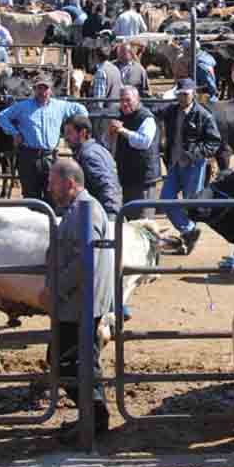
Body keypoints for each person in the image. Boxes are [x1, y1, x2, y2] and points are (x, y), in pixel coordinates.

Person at [45, 159, 113, 435]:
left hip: (80, 303)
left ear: (70, 183)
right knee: (74, 361)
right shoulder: (79, 209)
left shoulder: (87, 211)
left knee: (67, 362)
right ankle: (93, 419)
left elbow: (87, 260)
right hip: (78, 300)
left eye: (53, 182)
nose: (49, 187)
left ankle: (95, 420)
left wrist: (56, 288)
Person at [155, 78, 221, 255]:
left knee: (191, 203)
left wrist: (193, 154)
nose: (182, 98)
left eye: (185, 94)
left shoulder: (203, 115)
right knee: (166, 199)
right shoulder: (171, 111)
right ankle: (189, 230)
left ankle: (188, 236)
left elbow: (214, 142)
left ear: (194, 94)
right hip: (174, 164)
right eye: (180, 94)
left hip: (193, 166)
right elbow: (154, 112)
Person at [0, 75, 89, 200]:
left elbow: (82, 110)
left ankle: (49, 219)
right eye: (39, 88)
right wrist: (14, 132)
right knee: (30, 195)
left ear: (50, 90)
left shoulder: (60, 106)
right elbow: (1, 117)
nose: (42, 92)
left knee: (53, 194)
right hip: (29, 156)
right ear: (34, 89)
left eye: (45, 88)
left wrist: (73, 125)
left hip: (49, 156)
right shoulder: (23, 106)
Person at [109, 86, 162, 219]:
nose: (124, 104)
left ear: (137, 99)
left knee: (144, 222)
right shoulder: (122, 117)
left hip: (144, 179)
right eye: (121, 100)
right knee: (132, 220)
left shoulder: (146, 118)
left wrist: (122, 131)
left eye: (128, 100)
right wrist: (111, 134)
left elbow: (143, 142)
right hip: (128, 177)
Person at [63, 114, 123, 219]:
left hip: (99, 215)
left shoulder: (89, 155)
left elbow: (107, 185)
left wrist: (111, 216)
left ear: (83, 133)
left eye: (69, 133)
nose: (66, 138)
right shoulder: (94, 150)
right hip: (95, 212)